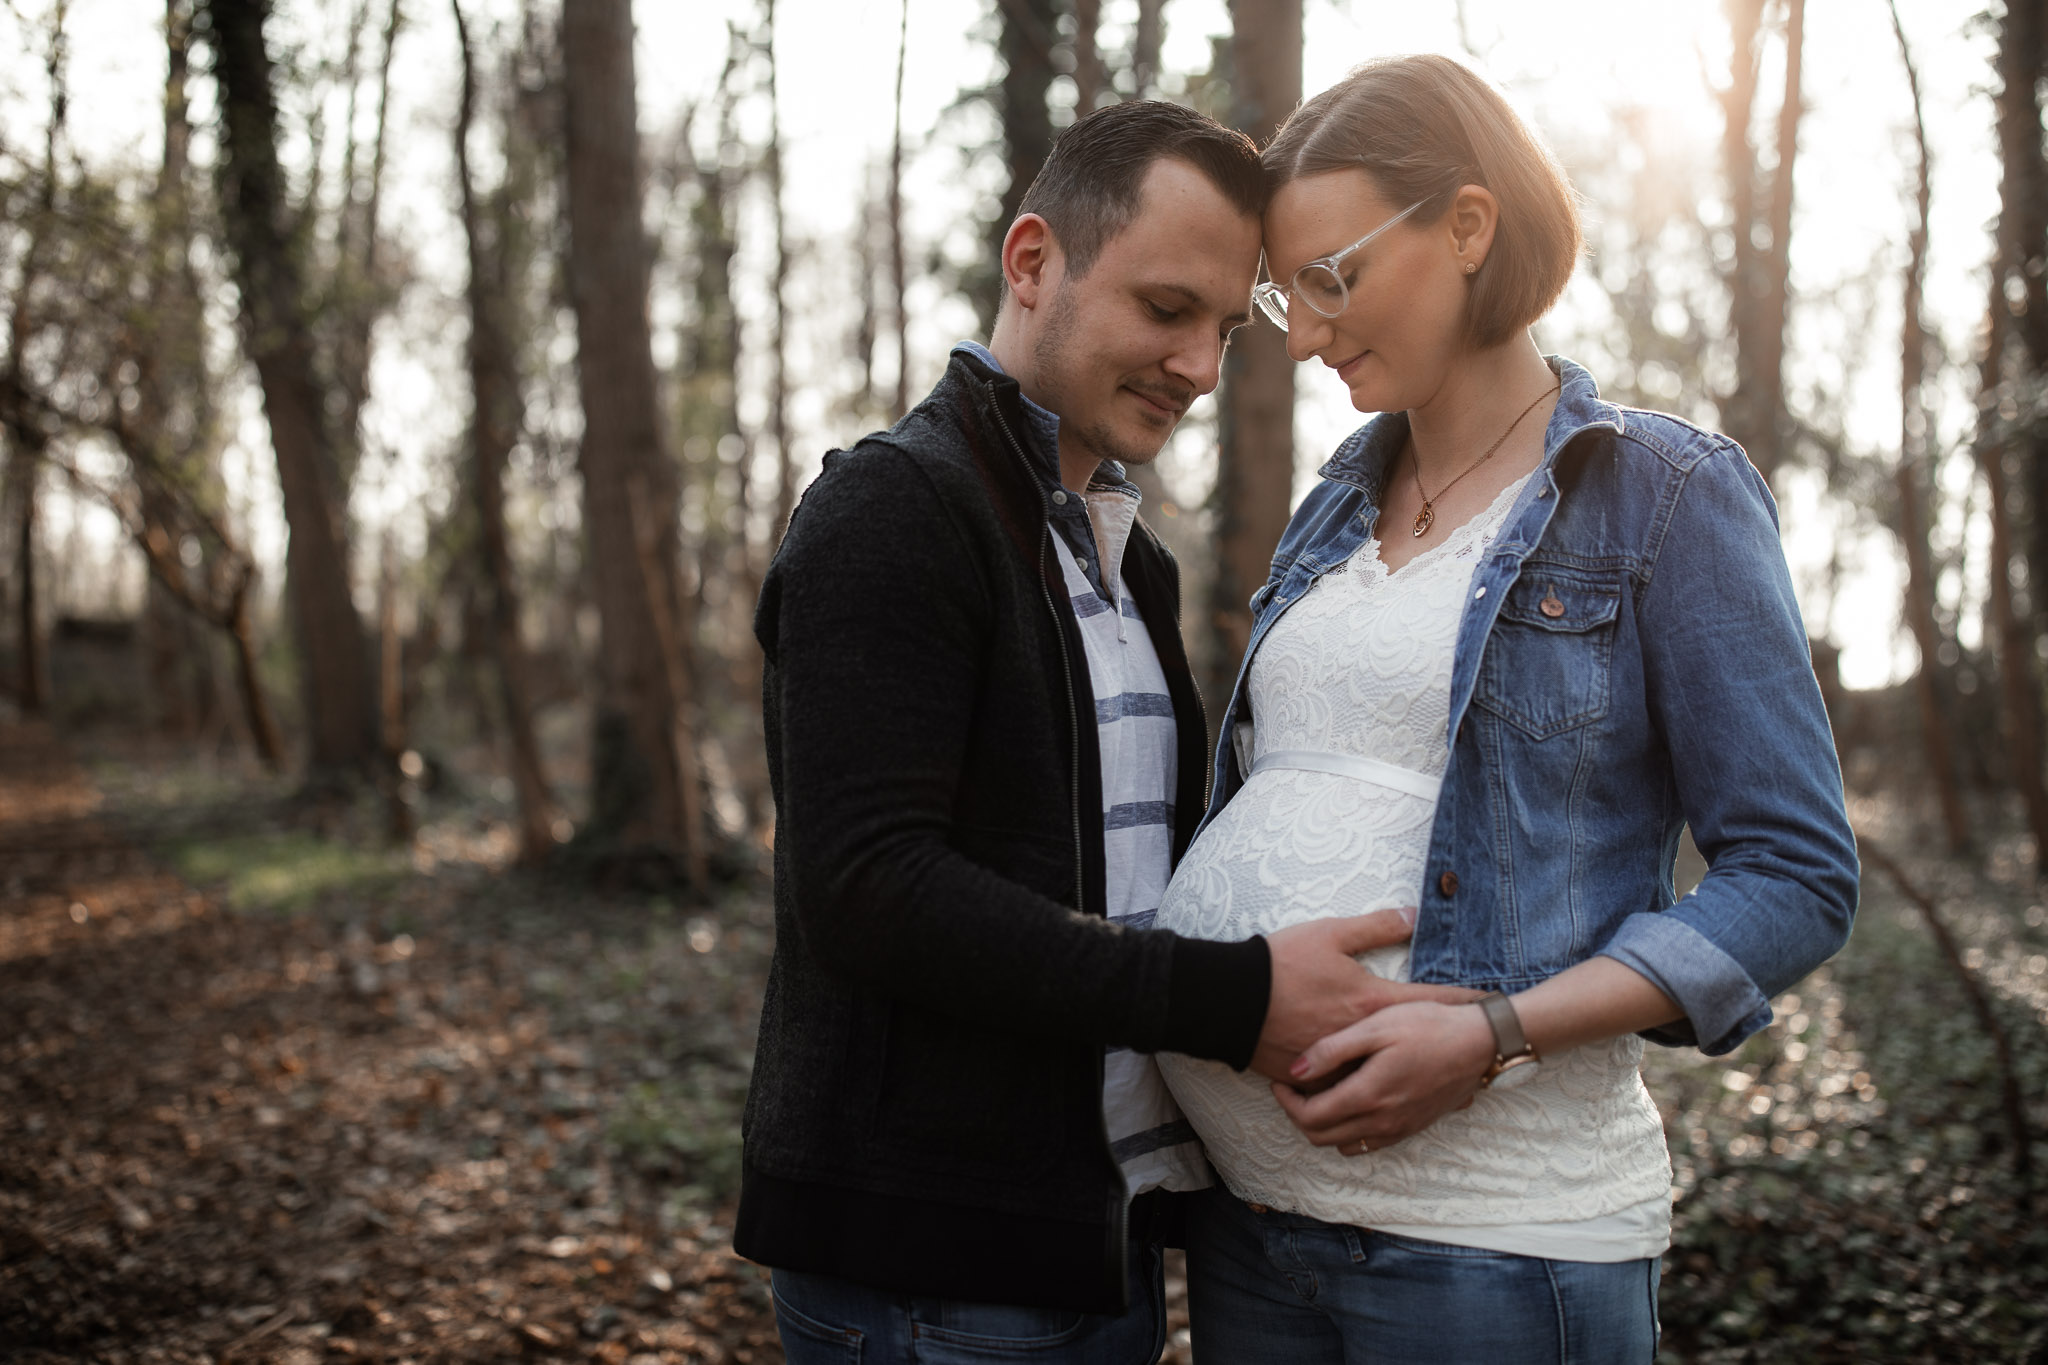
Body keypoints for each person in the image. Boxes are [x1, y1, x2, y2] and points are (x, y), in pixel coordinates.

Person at [1151, 54, 1860, 1363]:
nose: (1300, 332)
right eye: (1281, 290)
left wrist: (1496, 1029)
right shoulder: (1332, 508)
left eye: (1331, 276)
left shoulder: (1662, 495)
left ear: (1468, 226)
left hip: (1494, 1244)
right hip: (1254, 1227)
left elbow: (1798, 874)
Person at [738, 99, 1470, 1364]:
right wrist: (1232, 999)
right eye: (1165, 308)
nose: (1197, 365)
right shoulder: (893, 510)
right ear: (1033, 263)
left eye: (1229, 329)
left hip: (1096, 1237)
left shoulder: (1129, 565)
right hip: (927, 1267)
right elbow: (869, 889)